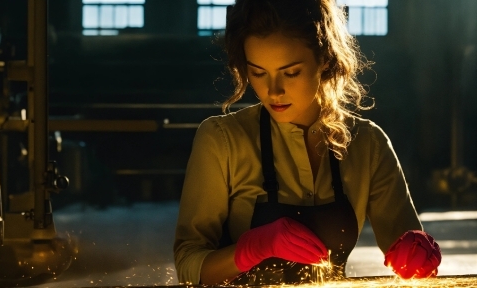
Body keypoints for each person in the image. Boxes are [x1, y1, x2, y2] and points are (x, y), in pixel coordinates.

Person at [173, 0, 441, 285]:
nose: (273, 90)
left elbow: (408, 248)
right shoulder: (222, 140)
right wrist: (250, 249)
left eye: (291, 72)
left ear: (325, 58)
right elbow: (188, 265)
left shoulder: (368, 144)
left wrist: (418, 252)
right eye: (258, 72)